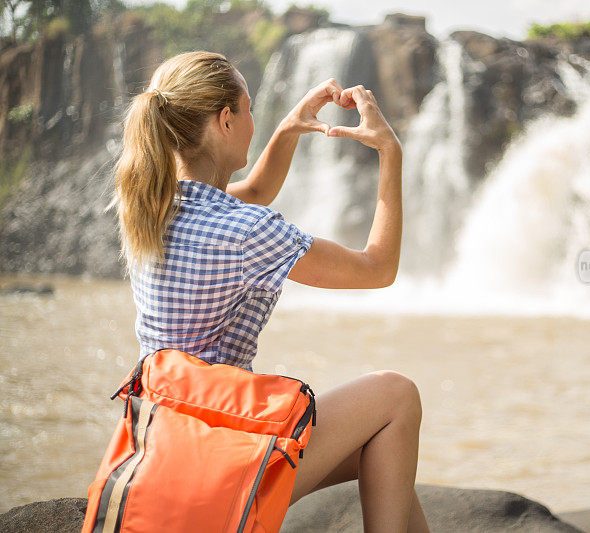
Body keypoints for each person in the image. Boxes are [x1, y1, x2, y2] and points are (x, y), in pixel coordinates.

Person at [113, 50, 429, 532]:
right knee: (397, 397)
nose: (253, 123)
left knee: (387, 459)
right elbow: (377, 269)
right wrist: (391, 153)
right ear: (225, 120)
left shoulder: (149, 203)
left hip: (160, 453)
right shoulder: (248, 232)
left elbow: (256, 189)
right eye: (249, 109)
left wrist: (289, 127)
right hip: (217, 463)